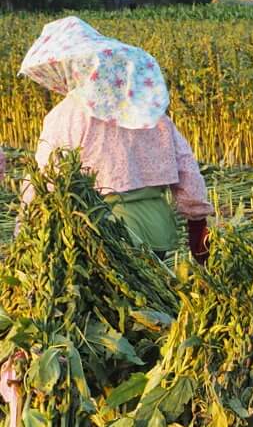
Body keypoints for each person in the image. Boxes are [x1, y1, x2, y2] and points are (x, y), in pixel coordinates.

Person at [16, 16, 212, 259]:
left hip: (94, 232)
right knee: (152, 284)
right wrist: (197, 222)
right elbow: (187, 170)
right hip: (154, 229)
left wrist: (24, 230)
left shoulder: (66, 115)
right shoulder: (149, 111)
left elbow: (43, 176)